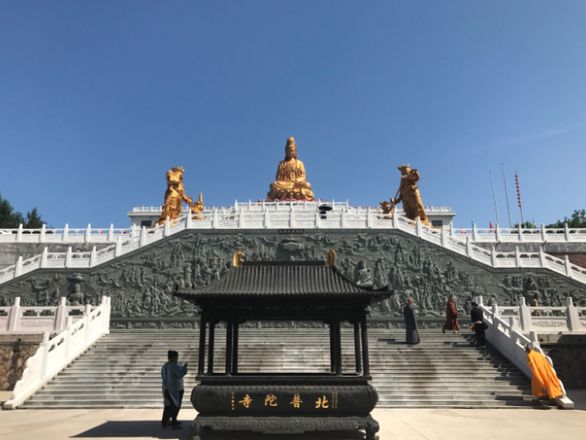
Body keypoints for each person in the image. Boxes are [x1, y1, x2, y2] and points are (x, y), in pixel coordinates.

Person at [267, 136, 315, 201]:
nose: (291, 152)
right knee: (273, 185)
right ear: (286, 151)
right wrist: (280, 169)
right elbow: (278, 179)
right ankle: (292, 191)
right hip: (285, 184)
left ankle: (288, 191)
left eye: (292, 151)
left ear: (295, 151)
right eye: (289, 151)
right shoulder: (282, 163)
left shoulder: (299, 163)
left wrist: (297, 181)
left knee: (307, 185)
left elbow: (303, 176)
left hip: (296, 183)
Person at [161, 350, 188, 429]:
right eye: (176, 356)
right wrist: (185, 368)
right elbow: (180, 374)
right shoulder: (173, 365)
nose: (177, 358)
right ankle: (173, 423)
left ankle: (165, 422)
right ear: (173, 357)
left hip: (166, 388)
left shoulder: (165, 365)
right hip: (174, 389)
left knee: (168, 406)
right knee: (175, 406)